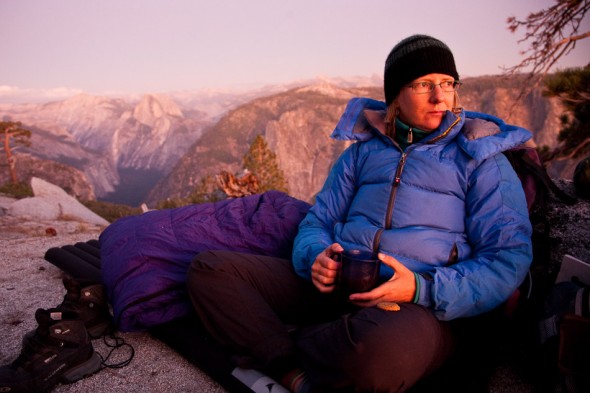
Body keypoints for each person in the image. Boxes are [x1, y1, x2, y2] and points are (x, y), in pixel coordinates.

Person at [187, 34, 533, 392]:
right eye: (423, 84)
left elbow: (508, 259)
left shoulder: (481, 161)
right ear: (396, 94)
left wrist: (420, 288)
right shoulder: (361, 154)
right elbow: (318, 221)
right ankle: (293, 367)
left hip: (418, 307)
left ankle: (281, 348)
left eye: (447, 83)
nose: (439, 96)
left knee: (378, 355)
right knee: (210, 270)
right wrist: (315, 258)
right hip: (340, 284)